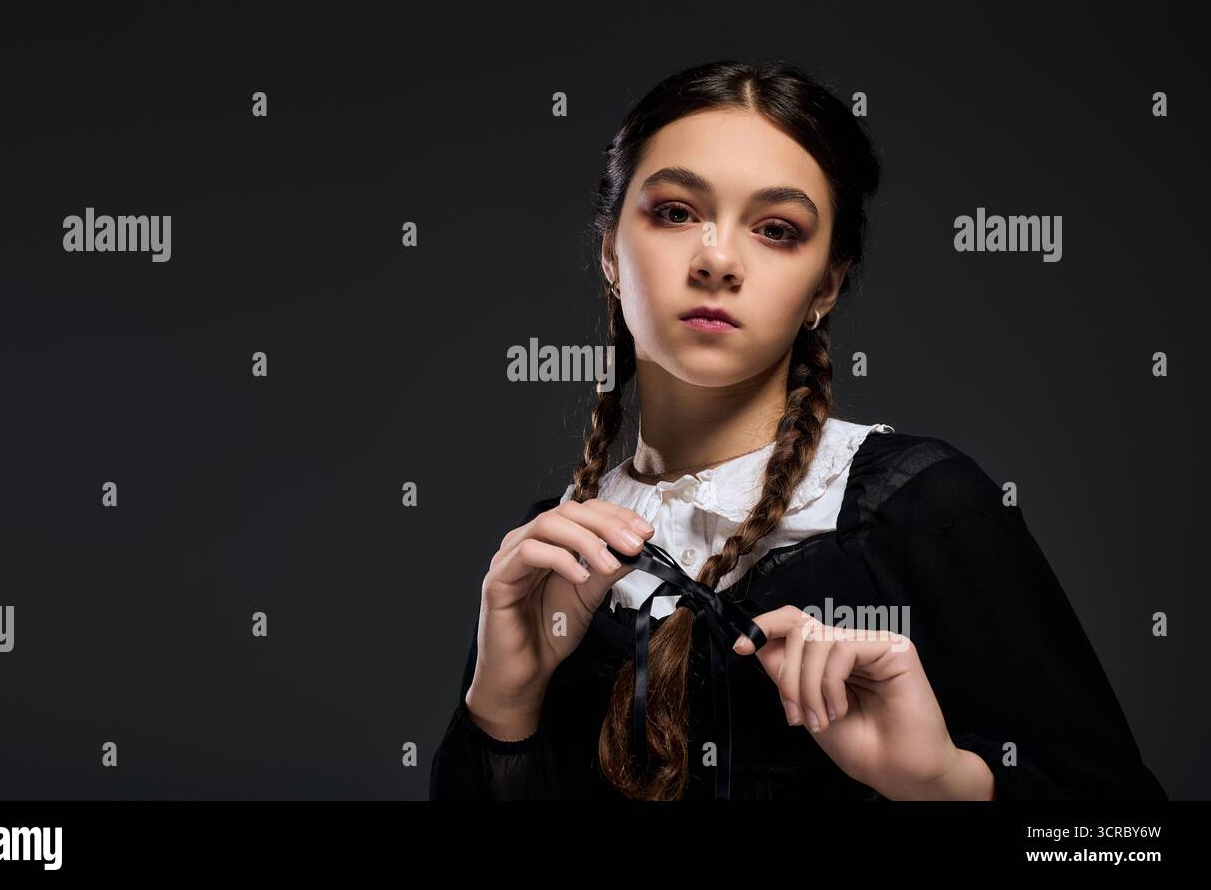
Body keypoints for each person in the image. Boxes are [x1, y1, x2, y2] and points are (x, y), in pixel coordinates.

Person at [429, 60, 1167, 801]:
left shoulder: (917, 505)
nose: (717, 259)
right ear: (608, 252)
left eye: (777, 229)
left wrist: (947, 784)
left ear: (826, 286)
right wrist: (500, 706)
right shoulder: (550, 553)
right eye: (676, 212)